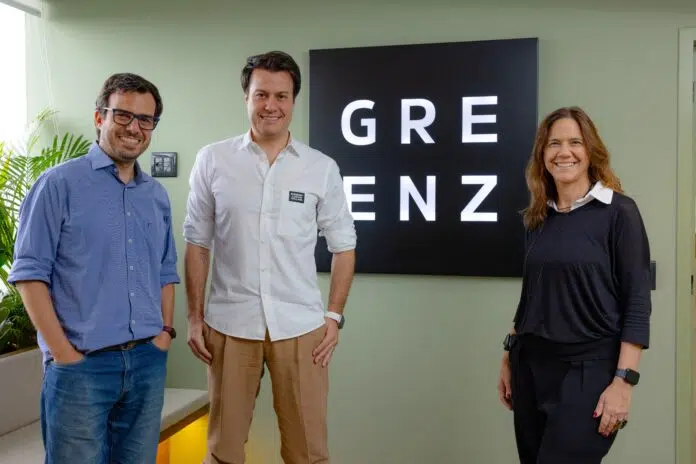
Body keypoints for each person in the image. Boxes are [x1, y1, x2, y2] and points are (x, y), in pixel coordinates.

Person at [183, 50, 356, 464]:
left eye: (281, 96)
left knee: (308, 452)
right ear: (246, 97)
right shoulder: (213, 160)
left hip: (300, 327)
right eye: (261, 95)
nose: (271, 105)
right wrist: (194, 317)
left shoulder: (321, 168)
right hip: (229, 325)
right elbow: (197, 243)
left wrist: (333, 316)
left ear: (294, 100)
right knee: (222, 451)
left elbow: (344, 245)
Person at [8, 73, 180, 464]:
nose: (134, 128)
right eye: (123, 115)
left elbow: (165, 272)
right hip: (81, 368)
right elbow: (29, 275)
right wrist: (63, 353)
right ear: (100, 117)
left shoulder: (155, 195)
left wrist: (164, 335)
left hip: (147, 364)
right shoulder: (57, 185)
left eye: (145, 119)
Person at [496, 106, 652, 463]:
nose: (563, 152)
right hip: (530, 366)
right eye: (554, 144)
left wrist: (624, 381)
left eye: (574, 142)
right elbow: (530, 296)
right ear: (542, 154)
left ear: (590, 151)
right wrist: (508, 354)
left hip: (589, 370)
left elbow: (637, 302)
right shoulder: (538, 217)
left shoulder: (619, 212)